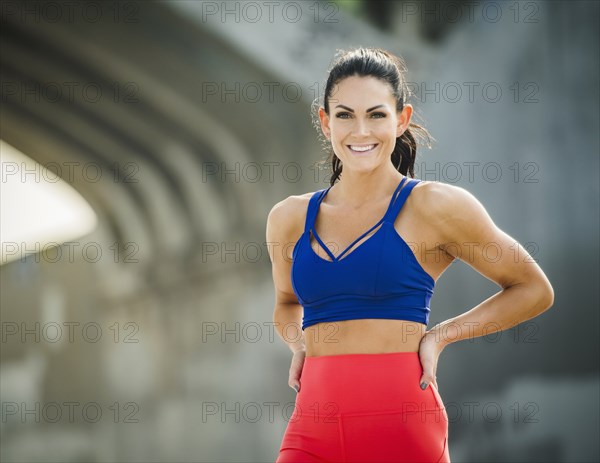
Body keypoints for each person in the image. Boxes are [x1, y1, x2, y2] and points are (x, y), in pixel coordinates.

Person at [265, 47, 554, 463]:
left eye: (377, 114)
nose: (360, 130)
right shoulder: (289, 217)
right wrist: (299, 343)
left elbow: (532, 289)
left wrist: (441, 335)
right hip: (311, 425)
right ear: (325, 122)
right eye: (345, 115)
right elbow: (286, 303)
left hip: (401, 423)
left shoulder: (435, 206)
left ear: (401, 119)